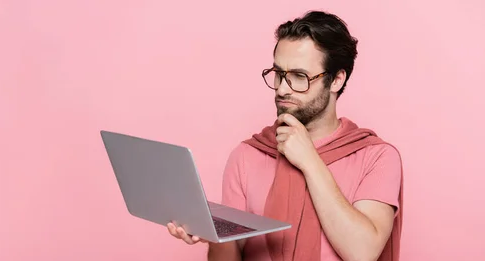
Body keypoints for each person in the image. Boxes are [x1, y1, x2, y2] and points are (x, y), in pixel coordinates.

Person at [167, 10, 403, 261]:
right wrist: (212, 233)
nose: (281, 89)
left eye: (299, 77)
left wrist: (309, 160)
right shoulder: (247, 155)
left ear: (336, 80)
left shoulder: (377, 157)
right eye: (279, 74)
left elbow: (362, 252)